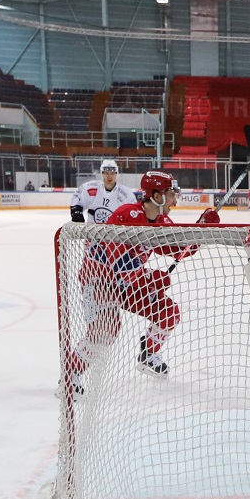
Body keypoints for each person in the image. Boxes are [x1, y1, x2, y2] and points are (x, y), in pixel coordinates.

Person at [64, 172, 196, 389]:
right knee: (106, 328)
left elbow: (181, 249)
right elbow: (120, 265)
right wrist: (151, 278)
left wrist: (201, 229)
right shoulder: (127, 214)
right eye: (171, 194)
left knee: (168, 311)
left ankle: (148, 353)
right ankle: (71, 374)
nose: (175, 200)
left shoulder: (161, 221)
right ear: (156, 195)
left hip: (127, 284)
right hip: (100, 279)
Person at [69, 159, 135, 224]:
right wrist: (76, 212)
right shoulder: (91, 188)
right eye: (106, 173)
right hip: (92, 231)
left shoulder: (126, 194)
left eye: (112, 173)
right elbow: (77, 196)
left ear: (116, 174)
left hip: (114, 232)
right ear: (102, 173)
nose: (109, 177)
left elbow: (133, 212)